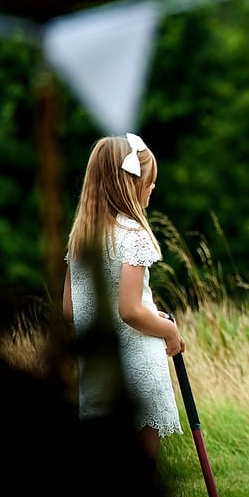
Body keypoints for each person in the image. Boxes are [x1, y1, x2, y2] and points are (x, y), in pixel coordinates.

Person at [63, 132, 185, 460]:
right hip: (137, 368)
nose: (153, 187)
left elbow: (72, 309)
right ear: (131, 185)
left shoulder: (82, 240)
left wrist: (151, 313)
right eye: (149, 180)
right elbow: (130, 310)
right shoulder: (134, 236)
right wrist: (170, 331)